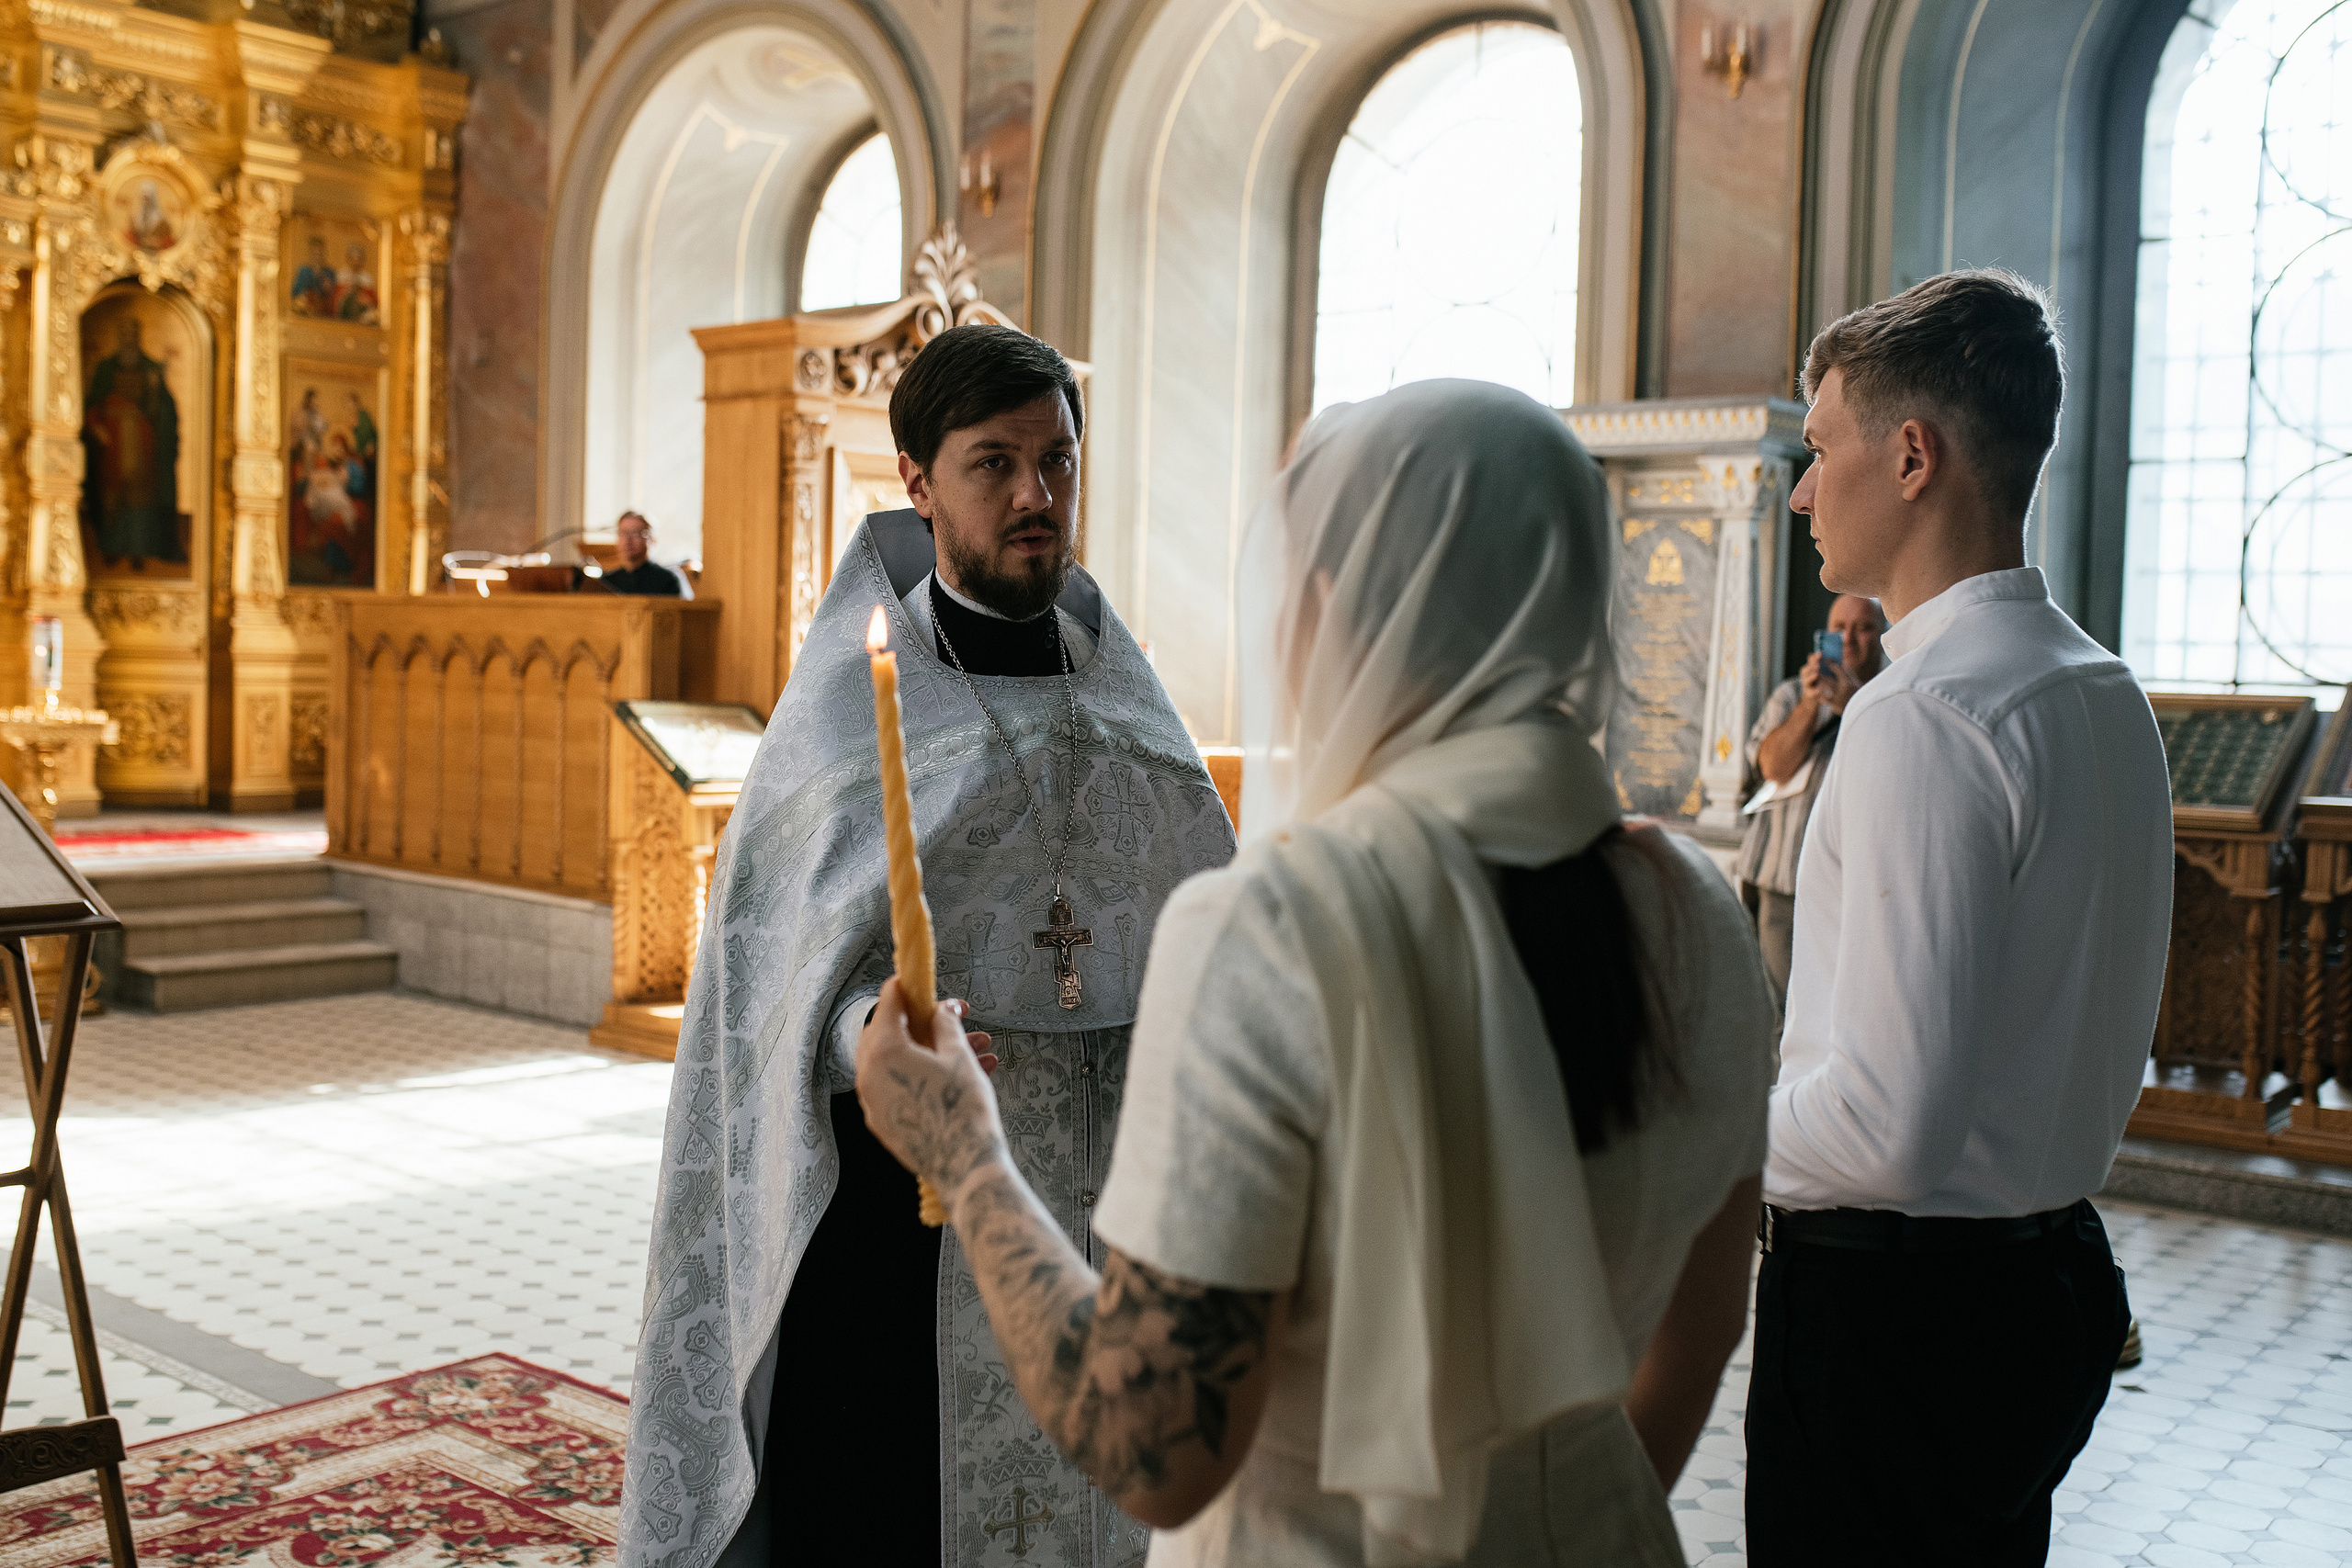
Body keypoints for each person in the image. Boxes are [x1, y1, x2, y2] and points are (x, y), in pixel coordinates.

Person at [854, 380, 1775, 1566]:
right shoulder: (1694, 903)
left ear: (1340, 601)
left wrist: (966, 1155)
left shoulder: (1273, 925)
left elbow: (1155, 1449)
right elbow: (1703, 1323)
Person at [616, 323, 1238, 1568]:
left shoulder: (1127, 698)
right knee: (883, 1511)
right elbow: (771, 973)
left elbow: (1212, 929)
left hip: (1093, 1203)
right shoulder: (849, 706)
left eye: (1057, 462)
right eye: (993, 464)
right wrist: (867, 1035)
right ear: (916, 481)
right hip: (897, 1222)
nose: (1034, 497)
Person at [1746, 270, 2172, 1565]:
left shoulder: (1925, 714)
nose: (1806, 489)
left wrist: (1680, 1132)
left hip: (1899, 1319)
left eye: (1820, 451)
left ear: (1913, 454)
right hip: (2036, 1290)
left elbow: (1880, 1131)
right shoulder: (2094, 686)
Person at [1736, 594, 1885, 1005]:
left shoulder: (1893, 700)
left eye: (1864, 628)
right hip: (1783, 879)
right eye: (1839, 628)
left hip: (1853, 889)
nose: (1849, 639)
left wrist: (1852, 704)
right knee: (1781, 1014)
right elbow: (1772, 768)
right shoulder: (1790, 696)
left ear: (1884, 636)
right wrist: (1809, 705)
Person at [596, 512, 688, 596]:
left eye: (635, 533)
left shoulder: (668, 580)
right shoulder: (606, 583)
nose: (627, 541)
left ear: (652, 540)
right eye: (622, 533)